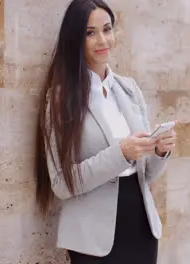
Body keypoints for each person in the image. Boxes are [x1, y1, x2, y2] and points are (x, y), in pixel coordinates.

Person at [34, 0, 177, 263]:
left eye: (107, 29)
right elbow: (62, 184)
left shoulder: (128, 88)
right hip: (92, 238)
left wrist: (158, 151)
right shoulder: (60, 99)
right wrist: (121, 153)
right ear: (75, 38)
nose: (102, 40)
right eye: (90, 33)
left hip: (141, 225)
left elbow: (147, 174)